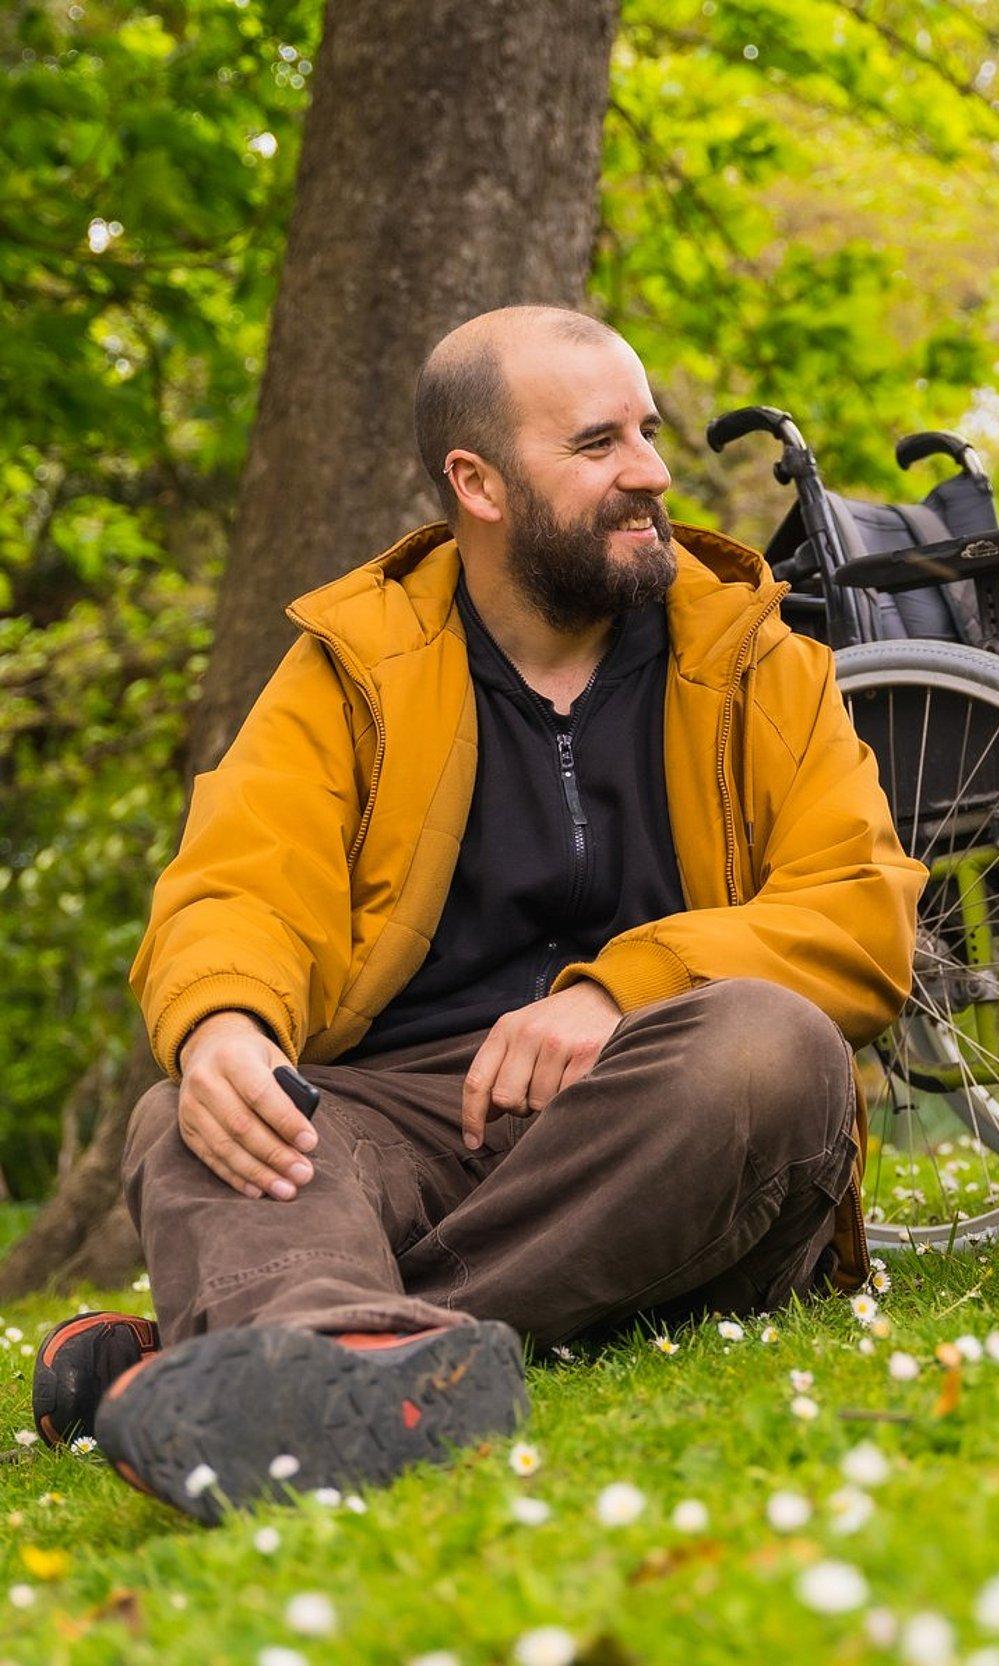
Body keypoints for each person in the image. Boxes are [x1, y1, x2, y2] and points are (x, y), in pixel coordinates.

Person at [30, 307, 924, 1521]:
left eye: (648, 432)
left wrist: (624, 988)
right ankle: (336, 1357)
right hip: (402, 1118)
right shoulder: (352, 661)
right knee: (198, 1108)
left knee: (772, 1047)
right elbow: (238, 880)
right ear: (478, 482)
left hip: (654, 1114)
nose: (652, 473)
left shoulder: (761, 658)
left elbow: (861, 917)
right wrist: (226, 1027)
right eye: (600, 442)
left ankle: (302, 1337)